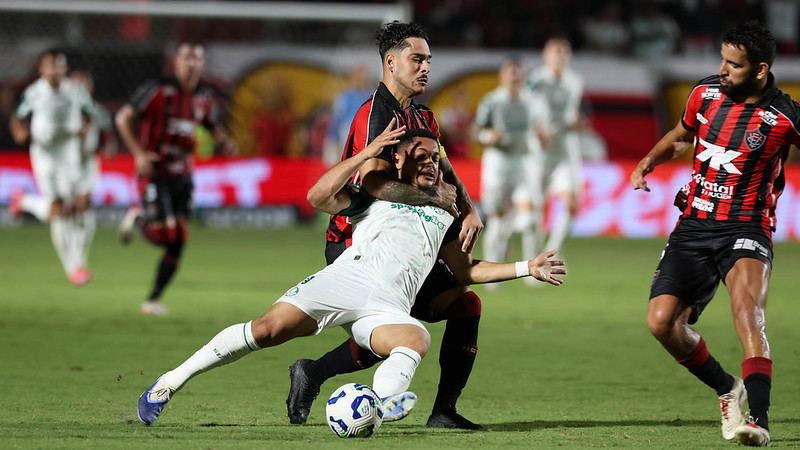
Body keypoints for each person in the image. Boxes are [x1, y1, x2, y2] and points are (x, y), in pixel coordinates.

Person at [137, 124, 565, 427]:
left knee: (416, 338)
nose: (432, 163)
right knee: (266, 330)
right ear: (396, 160)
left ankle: (381, 402)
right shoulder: (376, 196)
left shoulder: (447, 211)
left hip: (389, 306)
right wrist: (362, 156)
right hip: (345, 281)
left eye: (436, 158)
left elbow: (467, 271)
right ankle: (169, 383)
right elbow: (317, 196)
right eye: (421, 155)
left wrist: (528, 266)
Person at [286, 21, 487, 430]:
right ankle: (314, 373)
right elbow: (375, 183)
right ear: (391, 63)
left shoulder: (425, 117)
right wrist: (435, 199)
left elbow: (445, 169)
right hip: (356, 242)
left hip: (407, 242)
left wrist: (468, 209)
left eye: (429, 59)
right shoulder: (373, 114)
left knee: (465, 305)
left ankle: (443, 411)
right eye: (417, 59)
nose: (426, 67)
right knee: (395, 333)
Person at [630, 22, 795, 447]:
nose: (721, 69)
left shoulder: (784, 116)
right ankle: (727, 387)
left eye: (733, 64)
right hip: (695, 225)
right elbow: (682, 136)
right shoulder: (704, 94)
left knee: (747, 313)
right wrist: (648, 160)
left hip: (747, 225)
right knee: (662, 322)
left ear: (760, 70)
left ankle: (757, 418)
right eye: (721, 59)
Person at [116, 40, 236, 316]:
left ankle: (153, 299)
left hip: (183, 174)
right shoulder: (157, 89)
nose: (192, 63)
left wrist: (223, 140)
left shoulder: (203, 97)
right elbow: (123, 118)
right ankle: (139, 217)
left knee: (179, 238)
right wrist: (138, 153)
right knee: (164, 234)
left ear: (202, 64)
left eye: (197, 58)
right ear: (177, 62)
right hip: (155, 171)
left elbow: (210, 125)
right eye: (186, 58)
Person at [9, 50, 95, 286]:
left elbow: (90, 113)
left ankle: (25, 201)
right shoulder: (34, 93)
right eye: (50, 67)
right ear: (42, 70)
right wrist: (19, 133)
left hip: (69, 155)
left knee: (79, 207)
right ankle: (74, 268)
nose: (55, 71)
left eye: (59, 67)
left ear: (65, 69)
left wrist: (85, 128)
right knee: (59, 210)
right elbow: (18, 117)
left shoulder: (76, 91)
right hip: (44, 156)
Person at [474, 57, 542, 289]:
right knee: (495, 219)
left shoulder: (531, 101)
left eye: (518, 73)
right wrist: (487, 137)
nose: (514, 77)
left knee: (531, 218)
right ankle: (493, 276)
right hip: (497, 164)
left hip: (522, 163)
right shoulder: (492, 101)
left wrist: (541, 136)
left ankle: (535, 271)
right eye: (510, 73)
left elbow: (536, 127)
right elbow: (478, 130)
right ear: (503, 76)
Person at [527, 36, 584, 261]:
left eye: (564, 52)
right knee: (537, 207)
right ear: (546, 55)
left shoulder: (575, 81)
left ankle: (551, 254)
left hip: (565, 150)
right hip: (539, 151)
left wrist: (577, 121)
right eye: (555, 52)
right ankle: (532, 260)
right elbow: (526, 109)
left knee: (571, 203)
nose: (560, 56)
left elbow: (571, 113)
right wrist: (537, 130)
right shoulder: (536, 80)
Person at [324, 64, 374, 166]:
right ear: (353, 78)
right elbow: (336, 121)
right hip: (347, 138)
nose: (362, 81)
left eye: (364, 78)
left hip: (369, 139)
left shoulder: (374, 96)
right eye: (359, 78)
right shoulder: (344, 97)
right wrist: (331, 144)